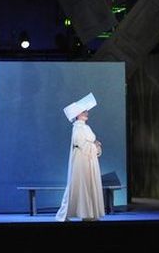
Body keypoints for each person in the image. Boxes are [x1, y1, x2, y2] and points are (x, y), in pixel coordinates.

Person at [55, 92, 105, 222]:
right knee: (79, 184)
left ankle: (89, 214)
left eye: (86, 111)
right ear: (78, 115)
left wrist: (96, 145)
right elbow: (81, 144)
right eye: (84, 112)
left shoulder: (85, 127)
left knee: (88, 184)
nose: (86, 113)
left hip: (88, 159)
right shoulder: (77, 127)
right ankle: (66, 214)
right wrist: (94, 146)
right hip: (82, 160)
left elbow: (89, 142)